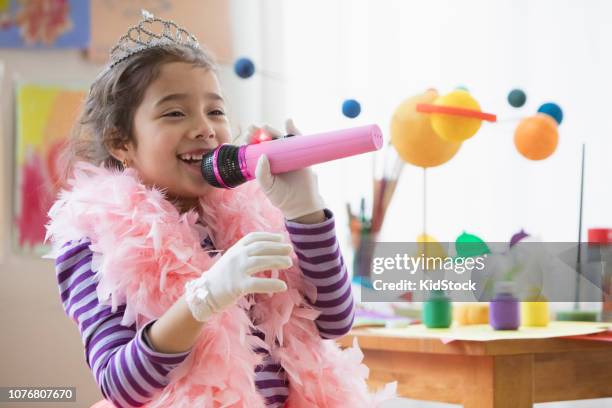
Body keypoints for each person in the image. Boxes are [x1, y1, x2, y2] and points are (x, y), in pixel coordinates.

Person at [45, 10, 394, 408]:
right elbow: (120, 384)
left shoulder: (257, 213)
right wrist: (203, 299)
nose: (205, 128)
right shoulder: (94, 241)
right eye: (175, 112)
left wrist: (306, 213)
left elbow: (334, 321)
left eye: (215, 111)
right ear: (121, 141)